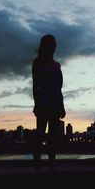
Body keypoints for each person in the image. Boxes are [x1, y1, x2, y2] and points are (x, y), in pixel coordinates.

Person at [32, 34, 65, 172]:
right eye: (51, 44)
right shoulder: (38, 63)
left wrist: (62, 106)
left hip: (54, 104)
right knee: (40, 136)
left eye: (54, 44)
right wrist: (37, 103)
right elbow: (35, 85)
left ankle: (51, 167)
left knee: (52, 138)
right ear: (46, 46)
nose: (53, 47)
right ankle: (38, 168)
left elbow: (59, 88)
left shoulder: (57, 65)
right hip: (43, 103)